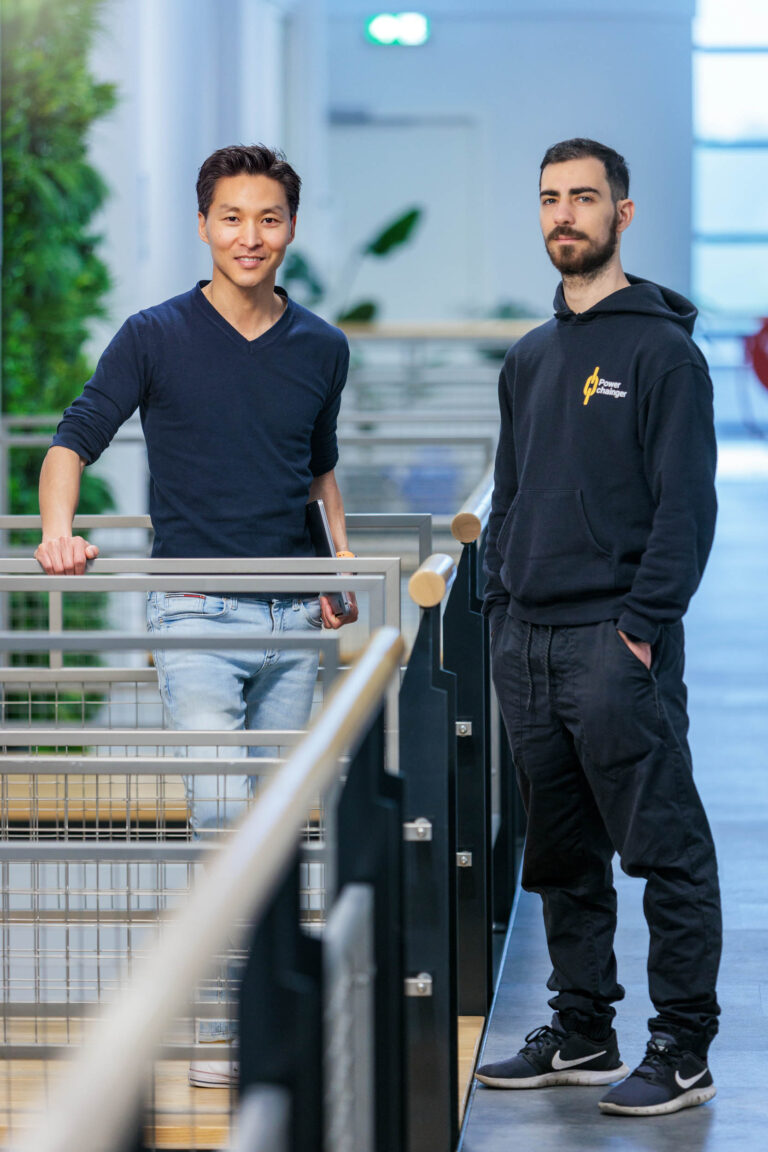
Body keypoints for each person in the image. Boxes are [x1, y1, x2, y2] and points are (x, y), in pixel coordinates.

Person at [34, 143, 358, 1086]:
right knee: (223, 811)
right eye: (231, 217)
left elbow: (317, 470)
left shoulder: (322, 347)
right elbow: (72, 443)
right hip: (194, 614)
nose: (249, 236)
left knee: (280, 824)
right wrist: (58, 532)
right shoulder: (154, 336)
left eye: (268, 218)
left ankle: (272, 1011)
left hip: (295, 619)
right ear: (204, 224)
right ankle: (232, 1021)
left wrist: (339, 568)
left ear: (289, 228)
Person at [476, 138, 721, 1117]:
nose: (564, 214)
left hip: (614, 643)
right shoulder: (530, 357)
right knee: (562, 854)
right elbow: (510, 494)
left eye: (584, 197)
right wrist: (500, 609)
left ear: (622, 213)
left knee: (665, 847)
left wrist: (642, 626)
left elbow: (686, 509)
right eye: (550, 198)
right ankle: (582, 1028)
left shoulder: (664, 353)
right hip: (528, 642)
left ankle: (684, 1049)